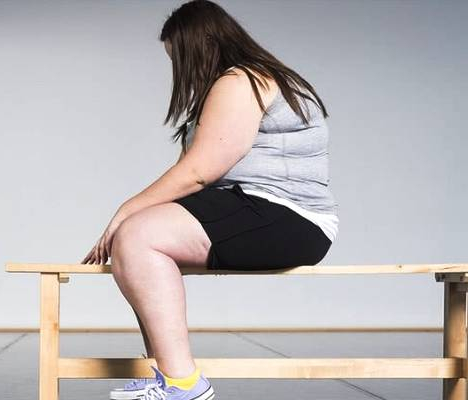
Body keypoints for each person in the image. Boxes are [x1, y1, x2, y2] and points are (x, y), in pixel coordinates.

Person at [81, 1, 339, 399]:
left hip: (290, 217)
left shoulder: (242, 81)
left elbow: (200, 172)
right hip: (258, 209)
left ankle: (184, 384)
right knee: (135, 239)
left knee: (138, 235)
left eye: (180, 58)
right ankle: (169, 377)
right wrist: (132, 221)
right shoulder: (235, 84)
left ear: (203, 45)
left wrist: (125, 212)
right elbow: (190, 178)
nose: (180, 69)